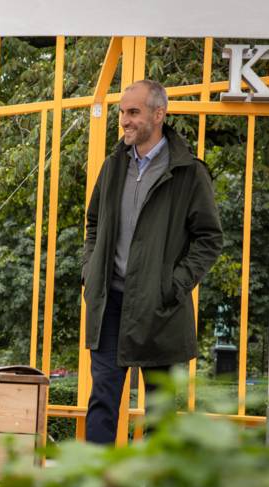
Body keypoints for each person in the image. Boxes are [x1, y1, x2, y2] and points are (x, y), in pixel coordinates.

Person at [82, 79, 223, 444]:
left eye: (133, 112)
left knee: (160, 413)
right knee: (102, 402)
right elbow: (94, 222)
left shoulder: (189, 173)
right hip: (110, 303)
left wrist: (173, 286)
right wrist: (91, 270)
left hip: (160, 309)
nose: (124, 121)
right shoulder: (113, 166)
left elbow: (209, 238)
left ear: (158, 115)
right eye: (122, 112)